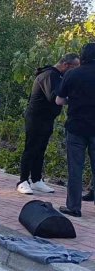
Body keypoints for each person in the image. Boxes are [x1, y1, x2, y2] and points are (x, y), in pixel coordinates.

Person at [17, 53, 80, 195]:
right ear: (66, 65)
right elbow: (53, 96)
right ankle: (22, 181)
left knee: (41, 148)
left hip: (47, 118)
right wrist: (72, 97)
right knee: (31, 148)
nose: (76, 70)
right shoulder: (50, 75)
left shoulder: (59, 76)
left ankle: (36, 179)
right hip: (36, 118)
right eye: (75, 67)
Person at [56, 43, 95, 217]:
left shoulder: (72, 74)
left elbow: (59, 100)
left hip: (76, 127)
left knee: (75, 169)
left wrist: (74, 100)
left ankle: (74, 207)